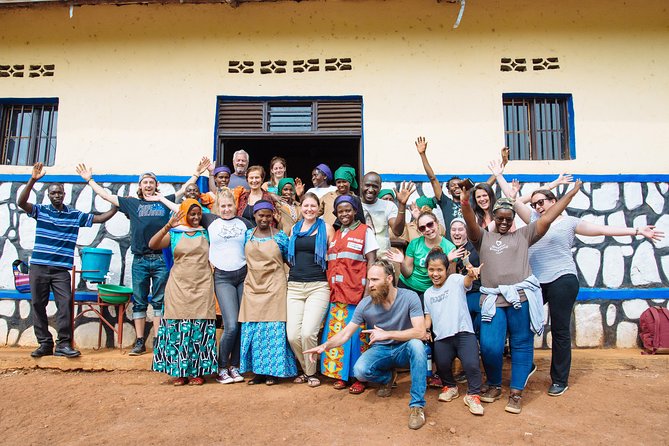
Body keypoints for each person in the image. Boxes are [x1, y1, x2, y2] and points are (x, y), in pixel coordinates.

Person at [492, 168, 665, 397]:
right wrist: (499, 174)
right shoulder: (534, 220)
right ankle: (526, 365)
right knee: (521, 324)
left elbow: (602, 229)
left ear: (554, 201)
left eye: (541, 202)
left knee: (560, 329)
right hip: (535, 283)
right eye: (534, 204)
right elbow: (513, 200)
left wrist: (637, 230)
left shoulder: (570, 222)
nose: (537, 207)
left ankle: (559, 379)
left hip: (563, 279)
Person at [461, 177, 582, 414]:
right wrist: (465, 200)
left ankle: (516, 392)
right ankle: (495, 384)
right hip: (493, 301)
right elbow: (469, 223)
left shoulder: (524, 236)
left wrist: (571, 194)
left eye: (508, 219)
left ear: (513, 219)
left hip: (520, 300)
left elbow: (547, 218)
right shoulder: (483, 238)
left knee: (522, 344)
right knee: (489, 346)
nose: (504, 222)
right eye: (500, 218)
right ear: (494, 218)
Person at [76, 159, 211, 355]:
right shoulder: (131, 203)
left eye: (152, 182)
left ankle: (158, 341)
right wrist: (90, 180)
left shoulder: (164, 201)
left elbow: (183, 191)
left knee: (159, 300)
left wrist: (197, 174)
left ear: (156, 186)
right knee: (139, 300)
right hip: (139, 258)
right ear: (140, 186)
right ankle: (140, 341)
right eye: (145, 182)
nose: (148, 185)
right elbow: (106, 196)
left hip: (159, 259)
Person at [305, 259, 428, 430]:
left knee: (417, 345)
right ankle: (387, 378)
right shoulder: (365, 304)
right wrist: (325, 346)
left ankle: (417, 406)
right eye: (369, 280)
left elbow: (420, 332)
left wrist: (388, 334)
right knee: (360, 371)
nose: (370, 285)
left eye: (375, 280)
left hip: (403, 349)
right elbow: (346, 333)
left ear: (389, 279)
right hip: (381, 351)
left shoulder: (409, 297)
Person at [18, 163, 118, 358]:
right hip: (38, 266)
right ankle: (45, 343)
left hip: (60, 270)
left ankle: (63, 344)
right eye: (54, 193)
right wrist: (32, 180)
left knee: (65, 304)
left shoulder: (74, 215)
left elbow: (100, 218)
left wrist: (117, 205)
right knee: (38, 304)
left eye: (60, 193)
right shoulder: (41, 211)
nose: (57, 195)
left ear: (65, 195)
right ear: (48, 195)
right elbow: (22, 203)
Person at [148, 199, 218, 385]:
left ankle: (198, 372)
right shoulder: (175, 234)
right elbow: (153, 244)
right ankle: (180, 372)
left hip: (202, 285)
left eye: (198, 214)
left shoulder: (207, 233)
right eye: (191, 214)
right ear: (185, 214)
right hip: (178, 286)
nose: (195, 217)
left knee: (199, 329)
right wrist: (168, 226)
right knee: (178, 329)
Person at [320, 195, 378, 393]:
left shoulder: (365, 231)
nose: (344, 214)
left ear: (355, 211)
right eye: (341, 211)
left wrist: (368, 291)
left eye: (348, 210)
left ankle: (359, 377)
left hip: (356, 294)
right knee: (338, 335)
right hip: (337, 295)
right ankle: (341, 376)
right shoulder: (336, 234)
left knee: (356, 339)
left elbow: (372, 261)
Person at [239, 200, 297, 385]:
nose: (264, 219)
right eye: (260, 215)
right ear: (254, 216)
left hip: (275, 288)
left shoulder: (280, 237)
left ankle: (273, 372)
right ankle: (259, 372)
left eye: (267, 215)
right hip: (252, 288)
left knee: (273, 331)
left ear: (273, 216)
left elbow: (290, 260)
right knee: (254, 331)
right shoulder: (247, 235)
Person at [199, 187, 254, 384]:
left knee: (240, 323)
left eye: (230, 205)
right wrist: (161, 198)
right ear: (216, 207)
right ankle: (222, 367)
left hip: (243, 275)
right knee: (230, 324)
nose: (226, 209)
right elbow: (186, 211)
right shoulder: (210, 221)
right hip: (222, 277)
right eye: (222, 206)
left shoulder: (244, 223)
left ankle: (235, 366)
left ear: (235, 206)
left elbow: (261, 233)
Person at [423, 248, 484, 416]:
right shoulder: (427, 294)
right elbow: (428, 316)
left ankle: (473, 395)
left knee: (472, 365)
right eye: (431, 270)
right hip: (442, 337)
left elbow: (467, 281)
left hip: (464, 333)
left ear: (446, 269)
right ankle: (450, 387)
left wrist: (472, 274)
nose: (435, 274)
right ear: (427, 270)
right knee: (442, 366)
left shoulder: (455, 280)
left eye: (439, 270)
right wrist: (426, 330)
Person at [286, 192, 334, 388]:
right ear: (301, 208)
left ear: (319, 208)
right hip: (295, 286)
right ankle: (307, 369)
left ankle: (310, 372)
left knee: (308, 333)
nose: (309, 209)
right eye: (305, 206)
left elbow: (334, 256)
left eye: (313, 206)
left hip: (318, 286)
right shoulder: (294, 229)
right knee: (292, 335)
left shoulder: (327, 228)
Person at [414, 137, 508, 236]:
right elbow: (433, 178)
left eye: (459, 184)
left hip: (472, 245)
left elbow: (487, 185)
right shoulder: (445, 202)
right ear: (449, 192)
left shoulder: (471, 200)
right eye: (453, 186)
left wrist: (503, 163)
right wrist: (423, 155)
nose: (456, 187)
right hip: (452, 246)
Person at [386, 210, 461, 306]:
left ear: (437, 223)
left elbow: (450, 279)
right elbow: (407, 274)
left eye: (430, 224)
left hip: (431, 290)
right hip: (408, 286)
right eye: (422, 228)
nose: (427, 229)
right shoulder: (415, 243)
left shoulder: (449, 247)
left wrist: (448, 261)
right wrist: (402, 262)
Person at [360, 172, 415, 256]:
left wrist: (402, 205)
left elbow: (397, 232)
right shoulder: (354, 204)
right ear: (361, 185)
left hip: (383, 260)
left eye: (375, 186)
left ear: (380, 188)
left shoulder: (388, 206)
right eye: (367, 185)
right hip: (358, 260)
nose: (370, 190)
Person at [449, 218, 482, 333]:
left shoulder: (476, 247)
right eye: (453, 230)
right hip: (458, 295)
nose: (457, 233)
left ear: (467, 231)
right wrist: (450, 260)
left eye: (460, 230)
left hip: (476, 292)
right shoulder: (448, 249)